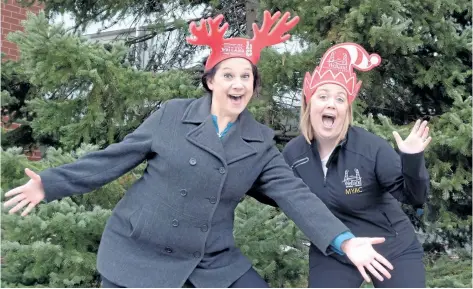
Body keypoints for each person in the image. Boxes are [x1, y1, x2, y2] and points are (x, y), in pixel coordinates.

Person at [3, 15, 392, 288]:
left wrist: (344, 241)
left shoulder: (259, 142)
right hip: (140, 251)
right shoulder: (172, 116)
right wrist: (49, 184)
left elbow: (296, 197)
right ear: (210, 81)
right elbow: (113, 159)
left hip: (210, 261)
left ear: (253, 87)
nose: (238, 84)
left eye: (246, 77)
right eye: (228, 75)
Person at [282, 42, 430, 287]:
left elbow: (414, 196)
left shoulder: (371, 149)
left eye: (340, 99)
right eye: (323, 96)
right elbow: (277, 190)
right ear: (309, 103)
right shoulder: (294, 154)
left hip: (391, 248)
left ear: (346, 110)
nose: (331, 104)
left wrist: (412, 159)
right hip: (334, 251)